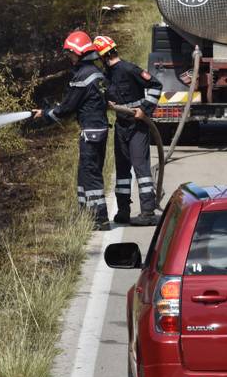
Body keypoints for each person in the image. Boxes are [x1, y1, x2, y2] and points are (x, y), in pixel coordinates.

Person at [32, 31, 110, 230]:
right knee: (85, 173)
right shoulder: (95, 73)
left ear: (79, 53)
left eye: (71, 53)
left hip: (90, 132)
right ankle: (85, 214)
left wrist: (47, 114)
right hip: (98, 130)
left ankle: (100, 219)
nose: (69, 57)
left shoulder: (82, 76)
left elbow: (67, 107)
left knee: (90, 174)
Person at [94, 35, 163, 226]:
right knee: (122, 169)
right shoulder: (106, 75)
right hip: (121, 125)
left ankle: (148, 212)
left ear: (104, 56)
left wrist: (145, 109)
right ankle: (123, 211)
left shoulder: (129, 69)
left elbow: (156, 85)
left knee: (141, 168)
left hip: (137, 125)